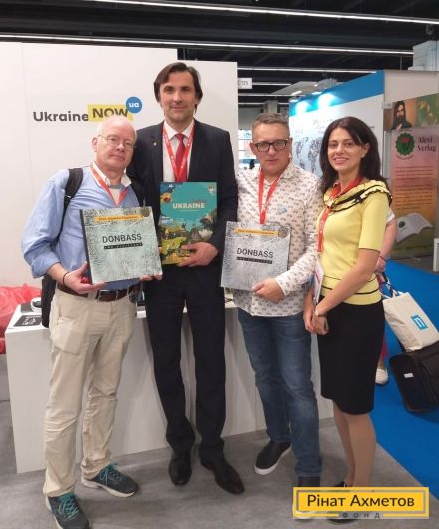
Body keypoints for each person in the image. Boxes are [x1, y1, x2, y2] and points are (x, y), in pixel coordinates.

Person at [22, 116, 152, 529]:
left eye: (128, 143)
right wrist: (64, 276)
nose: (120, 147)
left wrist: (145, 265)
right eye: (113, 139)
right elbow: (34, 245)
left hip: (122, 306)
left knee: (105, 393)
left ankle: (96, 466)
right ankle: (58, 490)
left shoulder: (134, 193)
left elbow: (133, 247)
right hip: (77, 306)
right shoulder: (68, 183)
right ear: (95, 142)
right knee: (64, 405)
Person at [127, 62, 244, 495]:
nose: (177, 97)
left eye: (185, 90)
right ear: (159, 95)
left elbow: (229, 200)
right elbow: (131, 204)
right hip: (159, 274)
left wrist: (215, 244)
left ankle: (212, 447)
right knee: (167, 361)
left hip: (205, 269)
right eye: (169, 90)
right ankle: (180, 444)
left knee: (211, 361)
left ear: (197, 96)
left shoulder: (217, 139)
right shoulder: (140, 142)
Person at [304, 117, 390, 516]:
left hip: (356, 312)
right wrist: (312, 302)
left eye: (348, 143)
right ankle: (353, 478)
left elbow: (364, 266)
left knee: (356, 407)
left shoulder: (374, 194)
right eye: (333, 144)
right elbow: (322, 256)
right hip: (329, 304)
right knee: (339, 401)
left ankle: (363, 492)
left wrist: (322, 306)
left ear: (365, 149)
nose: (339, 151)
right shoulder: (331, 194)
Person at [233, 113, 323, 487]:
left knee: (297, 386)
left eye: (279, 143)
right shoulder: (241, 182)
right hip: (248, 302)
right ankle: (279, 437)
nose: (271, 151)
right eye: (263, 144)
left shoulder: (310, 186)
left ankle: (309, 466)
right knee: (265, 378)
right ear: (253, 147)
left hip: (288, 306)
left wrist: (283, 284)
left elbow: (318, 248)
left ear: (290, 144)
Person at [374, 213, 397, 385]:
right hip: (334, 267)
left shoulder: (376, 196)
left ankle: (378, 360)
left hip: (368, 267)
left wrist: (381, 257)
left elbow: (390, 222)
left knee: (373, 315)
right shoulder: (326, 196)